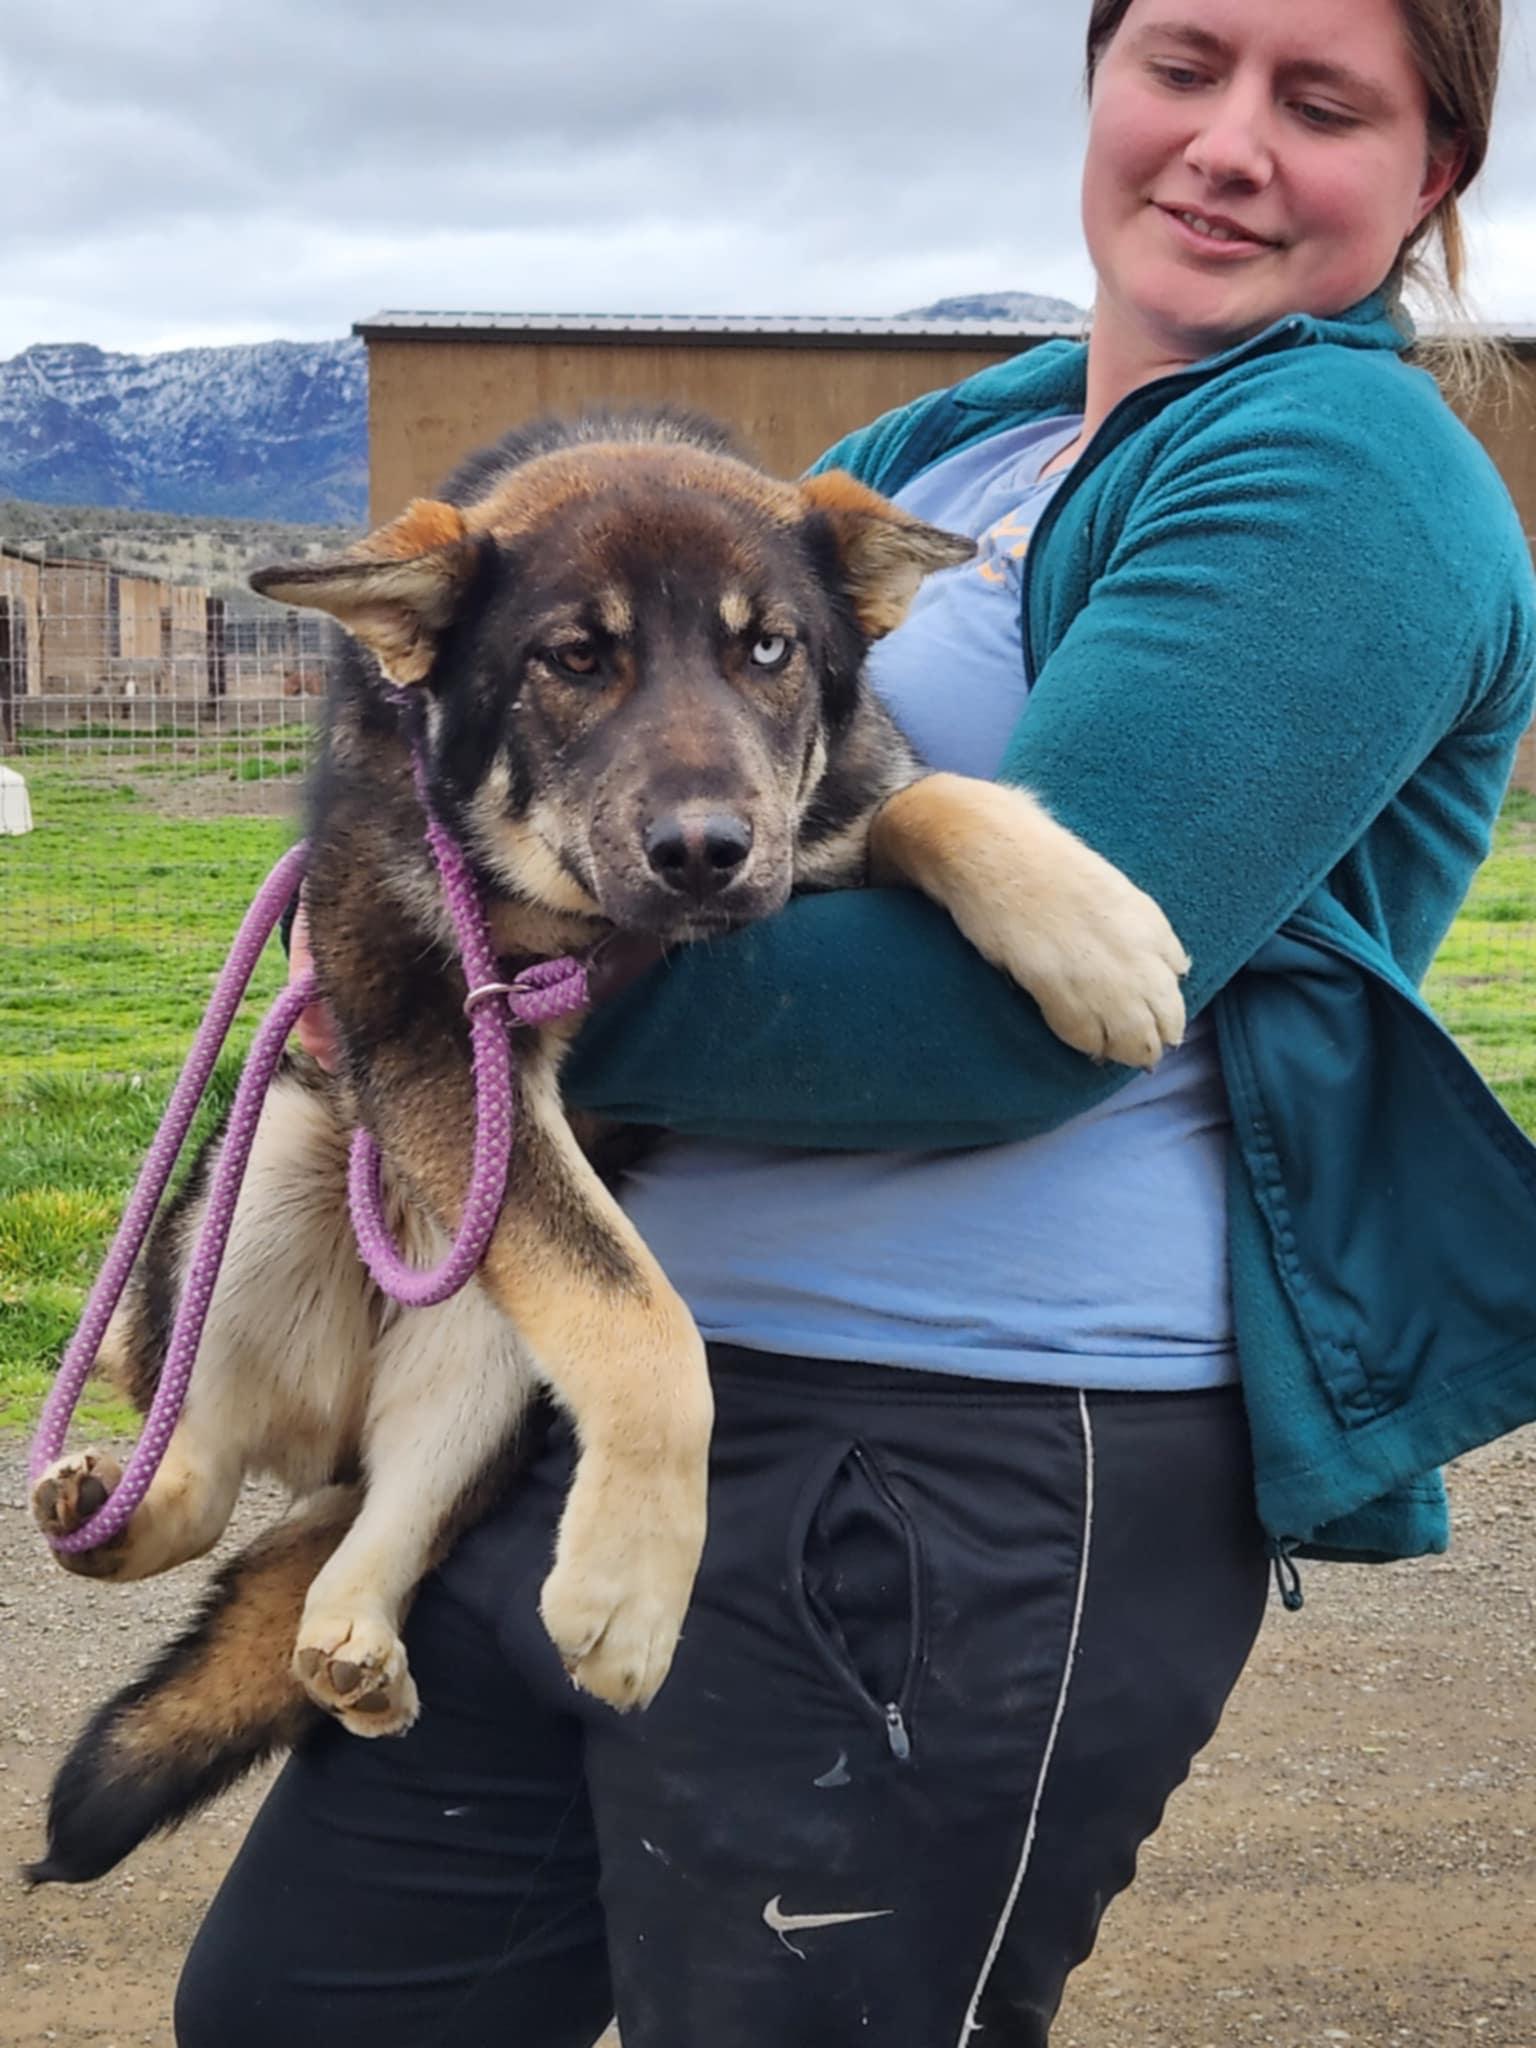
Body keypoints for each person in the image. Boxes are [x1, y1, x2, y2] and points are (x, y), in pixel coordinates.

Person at [176, 2, 1536, 2042]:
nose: (1228, 141)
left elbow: (984, 1033)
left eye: (1322, 102)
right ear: (1098, 78)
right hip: (622, 1395)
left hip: (971, 1465)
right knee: (307, 2009)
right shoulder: (956, 444)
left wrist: (417, 1015)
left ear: (1432, 177)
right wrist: (424, 971)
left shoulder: (1342, 475)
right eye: (1184, 61)